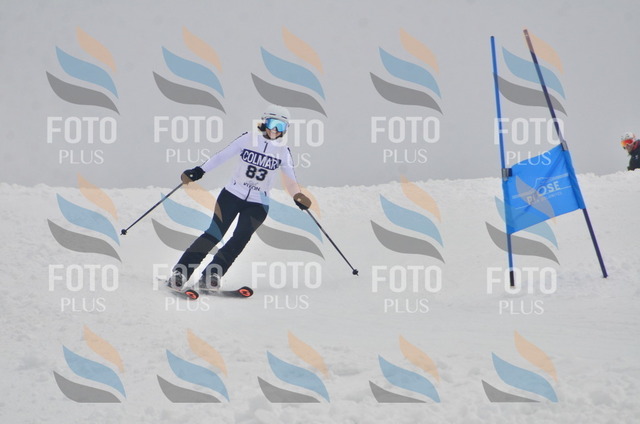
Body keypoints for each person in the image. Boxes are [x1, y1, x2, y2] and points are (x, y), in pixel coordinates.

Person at [166, 104, 312, 293]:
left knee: (240, 238)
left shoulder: (283, 152)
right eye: (272, 123)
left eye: (281, 126)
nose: (275, 130)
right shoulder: (248, 139)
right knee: (214, 233)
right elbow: (221, 156)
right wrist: (200, 170)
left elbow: (291, 180)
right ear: (264, 122)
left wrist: (298, 196)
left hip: (259, 204)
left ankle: (212, 275)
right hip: (232, 195)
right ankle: (180, 273)